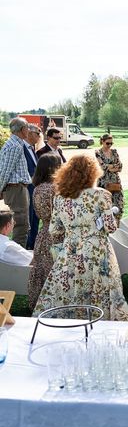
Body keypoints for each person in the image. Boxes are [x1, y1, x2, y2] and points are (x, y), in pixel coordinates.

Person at [33, 155, 128, 321]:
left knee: (71, 289)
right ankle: (101, 322)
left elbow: (55, 230)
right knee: (100, 290)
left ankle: (73, 324)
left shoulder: (60, 197)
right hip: (97, 251)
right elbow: (110, 227)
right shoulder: (101, 195)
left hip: (70, 251)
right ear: (93, 173)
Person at [28, 153, 63, 310]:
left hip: (43, 234)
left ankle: (40, 303)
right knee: (55, 269)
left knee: (42, 269)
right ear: (52, 169)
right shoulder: (55, 189)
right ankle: (55, 305)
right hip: (57, 235)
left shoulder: (36, 188)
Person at [0, 117, 32, 248]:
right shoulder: (14, 146)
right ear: (22, 129)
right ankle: (16, 261)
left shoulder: (16, 144)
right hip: (16, 189)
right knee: (20, 224)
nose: (29, 130)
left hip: (18, 189)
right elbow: (5, 171)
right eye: (28, 128)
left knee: (22, 224)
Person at [95, 134, 124, 224]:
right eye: (107, 143)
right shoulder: (98, 152)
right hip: (104, 182)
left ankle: (116, 225)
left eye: (111, 143)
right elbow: (103, 167)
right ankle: (106, 226)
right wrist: (113, 166)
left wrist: (110, 167)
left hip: (115, 181)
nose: (110, 145)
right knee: (104, 204)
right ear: (102, 142)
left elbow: (120, 166)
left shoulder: (114, 152)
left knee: (119, 203)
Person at [24, 124, 41, 249]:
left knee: (35, 217)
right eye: (37, 134)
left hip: (35, 188)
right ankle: (27, 245)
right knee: (28, 219)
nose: (39, 136)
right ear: (29, 133)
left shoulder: (32, 148)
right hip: (27, 189)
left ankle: (33, 244)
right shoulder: (22, 148)